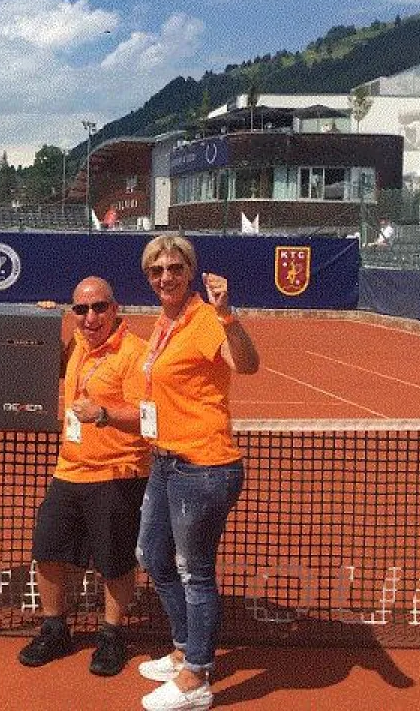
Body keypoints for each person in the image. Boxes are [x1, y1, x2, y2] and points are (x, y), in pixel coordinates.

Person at [129, 235, 259, 711]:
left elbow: (246, 364)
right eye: (157, 270)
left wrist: (228, 316)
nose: (165, 277)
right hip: (166, 461)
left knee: (194, 573)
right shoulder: (165, 321)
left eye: (175, 268)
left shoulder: (205, 319)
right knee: (152, 555)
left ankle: (196, 678)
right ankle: (186, 647)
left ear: (190, 272)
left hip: (203, 465)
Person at [17, 276, 148, 677]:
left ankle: (111, 634)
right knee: (47, 549)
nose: (90, 317)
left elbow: (147, 417)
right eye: (81, 309)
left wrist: (104, 414)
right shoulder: (76, 344)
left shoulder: (134, 353)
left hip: (117, 472)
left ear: (115, 309)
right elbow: (44, 363)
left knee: (114, 561)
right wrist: (40, 325)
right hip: (69, 469)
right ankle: (54, 628)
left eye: (99, 307)